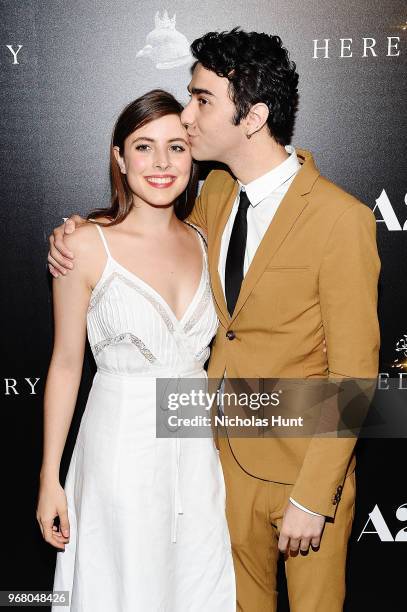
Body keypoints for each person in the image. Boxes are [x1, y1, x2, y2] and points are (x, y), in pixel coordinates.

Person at [48, 29, 381, 612]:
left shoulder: (340, 218)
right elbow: (147, 235)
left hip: (301, 476)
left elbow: (356, 375)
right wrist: (75, 231)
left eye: (202, 99)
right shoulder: (218, 195)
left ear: (252, 116)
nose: (186, 114)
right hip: (213, 471)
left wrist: (314, 496)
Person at [37, 89, 236, 612]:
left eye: (176, 146)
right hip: (119, 456)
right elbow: (64, 364)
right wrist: (49, 477)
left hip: (197, 459)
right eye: (144, 147)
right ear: (120, 159)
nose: (162, 163)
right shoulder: (82, 245)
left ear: (194, 158)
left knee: (197, 585)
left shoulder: (207, 241)